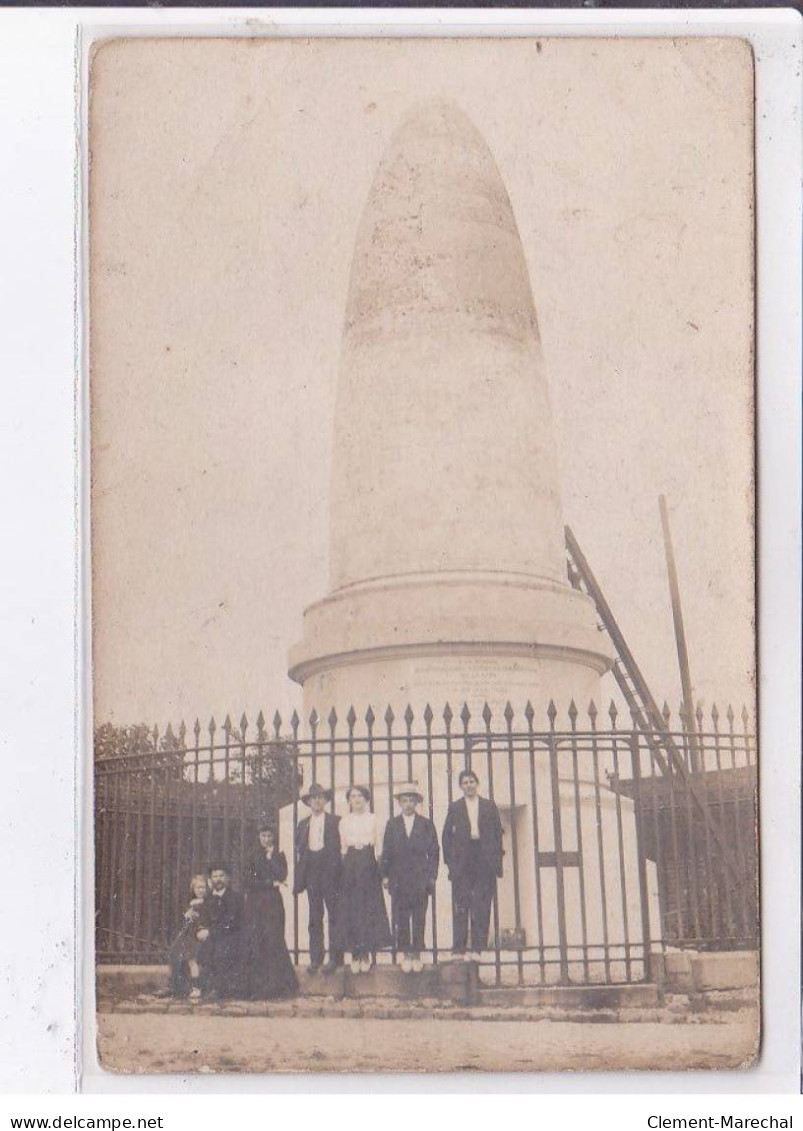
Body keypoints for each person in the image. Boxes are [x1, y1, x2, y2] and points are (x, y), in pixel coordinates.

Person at [442, 768, 504, 961]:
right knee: (461, 903)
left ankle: (478, 948)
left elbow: (497, 835)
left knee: (482, 904)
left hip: (483, 858)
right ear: (461, 786)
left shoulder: (488, 805)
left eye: (471, 781)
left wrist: (496, 863)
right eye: (465, 782)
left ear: (477, 783)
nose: (469, 785)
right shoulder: (455, 807)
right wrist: (451, 863)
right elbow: (446, 837)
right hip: (463, 859)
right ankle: (459, 949)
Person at [381, 781, 439, 973]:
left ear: (416, 803)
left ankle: (417, 954)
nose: (407, 804)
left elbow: (434, 852)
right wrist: (385, 876)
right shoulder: (392, 824)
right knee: (401, 917)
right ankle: (406, 954)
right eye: (404, 800)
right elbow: (386, 852)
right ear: (399, 803)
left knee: (419, 916)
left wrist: (431, 876)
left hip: (420, 878)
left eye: (411, 800)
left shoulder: (426, 824)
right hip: (399, 879)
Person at [335, 784, 391, 973]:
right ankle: (355, 954)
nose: (357, 799)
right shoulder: (344, 821)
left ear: (366, 800)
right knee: (352, 908)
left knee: (368, 907)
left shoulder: (374, 819)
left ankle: (366, 953)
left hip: (368, 862)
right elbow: (343, 848)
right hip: (351, 863)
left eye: (360, 796)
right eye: (353, 796)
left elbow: (379, 848)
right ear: (349, 801)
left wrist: (381, 872)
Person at [293, 782, 343, 974]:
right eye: (314, 798)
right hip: (312, 871)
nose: (317, 801)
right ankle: (316, 958)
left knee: (334, 916)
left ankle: (335, 958)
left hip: (331, 872)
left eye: (321, 797)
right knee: (315, 917)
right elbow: (301, 851)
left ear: (326, 801)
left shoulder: (336, 821)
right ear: (308, 802)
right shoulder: (303, 824)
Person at [243, 825, 298, 999]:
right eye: (263, 836)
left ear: (273, 837)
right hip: (255, 902)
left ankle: (278, 986)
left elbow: (282, 876)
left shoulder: (279, 855)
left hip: (273, 903)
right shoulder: (252, 855)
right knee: (256, 940)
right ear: (259, 837)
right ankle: (258, 987)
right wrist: (269, 883)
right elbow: (248, 880)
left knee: (274, 940)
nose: (266, 839)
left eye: (269, 836)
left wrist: (270, 859)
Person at [195, 861, 245, 999]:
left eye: (221, 876)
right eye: (215, 876)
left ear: (228, 879)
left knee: (219, 949)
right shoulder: (208, 899)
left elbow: (232, 922)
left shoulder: (235, 898)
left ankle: (217, 989)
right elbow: (203, 919)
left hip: (230, 935)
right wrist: (201, 929)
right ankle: (192, 986)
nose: (218, 879)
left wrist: (210, 932)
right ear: (211, 879)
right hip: (212, 936)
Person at [167, 873, 208, 1000]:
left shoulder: (206, 903)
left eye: (203, 887)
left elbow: (205, 921)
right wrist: (187, 917)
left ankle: (196, 987)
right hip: (188, 935)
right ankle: (178, 986)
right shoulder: (191, 903)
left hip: (198, 935)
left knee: (193, 961)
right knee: (177, 955)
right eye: (198, 887)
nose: (200, 890)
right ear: (193, 889)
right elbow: (187, 921)